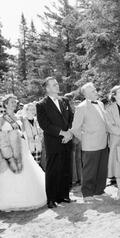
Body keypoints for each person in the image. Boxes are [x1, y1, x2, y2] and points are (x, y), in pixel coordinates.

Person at [0, 94, 46, 211]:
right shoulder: (2, 118)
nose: (14, 104)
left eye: (15, 102)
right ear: (5, 104)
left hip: (22, 149)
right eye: (11, 102)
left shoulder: (18, 117)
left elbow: (22, 133)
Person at [36, 77, 74, 208]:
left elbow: (71, 118)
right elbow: (44, 124)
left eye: (57, 84)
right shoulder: (41, 104)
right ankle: (51, 199)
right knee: (53, 170)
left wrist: (69, 133)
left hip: (67, 140)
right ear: (47, 88)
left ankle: (64, 195)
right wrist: (62, 133)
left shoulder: (65, 100)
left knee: (65, 168)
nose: (57, 86)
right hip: (53, 142)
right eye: (53, 85)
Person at [69, 82, 109, 201]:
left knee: (102, 169)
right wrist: (85, 138)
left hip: (103, 141)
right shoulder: (81, 107)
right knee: (89, 170)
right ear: (86, 94)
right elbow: (75, 128)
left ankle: (99, 191)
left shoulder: (101, 104)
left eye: (95, 90)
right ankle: (87, 194)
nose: (96, 92)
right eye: (93, 91)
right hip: (90, 144)